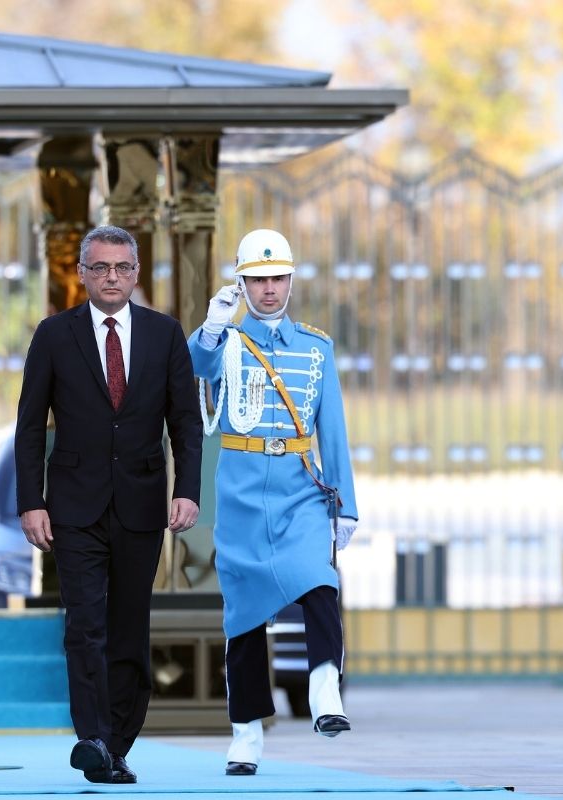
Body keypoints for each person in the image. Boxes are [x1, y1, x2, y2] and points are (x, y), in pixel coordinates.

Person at [14, 224, 202, 785]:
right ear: (82, 274)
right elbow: (30, 426)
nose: (111, 277)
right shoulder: (54, 335)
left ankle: (119, 742)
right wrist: (31, 502)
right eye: (100, 268)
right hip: (73, 507)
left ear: (136, 273)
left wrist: (187, 490)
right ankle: (93, 737)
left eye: (121, 267)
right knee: (85, 625)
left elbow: (185, 423)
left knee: (128, 627)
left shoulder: (165, 334)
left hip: (141, 505)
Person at [187, 228, 359, 776]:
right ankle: (246, 735)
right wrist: (212, 328)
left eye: (277, 278)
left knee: (319, 582)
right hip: (240, 493)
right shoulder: (228, 341)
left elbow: (333, 431)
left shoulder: (316, 347)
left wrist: (347, 505)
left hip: (299, 488)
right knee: (243, 617)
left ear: (290, 280)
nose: (269, 289)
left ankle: (325, 690)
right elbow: (195, 368)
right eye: (258, 280)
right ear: (241, 284)